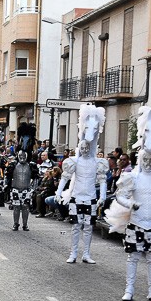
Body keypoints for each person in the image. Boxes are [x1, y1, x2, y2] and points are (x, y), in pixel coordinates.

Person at [106, 105, 151, 301]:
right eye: (144, 159)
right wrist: (131, 204)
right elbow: (119, 196)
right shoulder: (132, 177)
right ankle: (129, 289)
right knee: (133, 257)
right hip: (137, 222)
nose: (147, 162)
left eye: (150, 159)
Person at [57, 104, 107, 263]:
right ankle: (73, 253)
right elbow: (65, 177)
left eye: (87, 147)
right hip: (77, 197)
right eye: (83, 147)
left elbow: (102, 180)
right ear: (80, 147)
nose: (85, 149)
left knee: (89, 227)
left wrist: (103, 196)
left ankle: (86, 254)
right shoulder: (74, 161)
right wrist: (59, 192)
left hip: (90, 198)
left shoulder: (97, 163)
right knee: (75, 226)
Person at [6, 150, 38, 232]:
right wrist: (7, 185)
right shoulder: (13, 165)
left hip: (26, 189)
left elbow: (35, 178)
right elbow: (8, 176)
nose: (22, 157)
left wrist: (33, 188)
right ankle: (15, 224)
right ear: (18, 155)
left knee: (25, 207)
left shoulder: (31, 166)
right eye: (20, 155)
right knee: (16, 207)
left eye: (24, 156)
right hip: (16, 188)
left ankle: (25, 224)